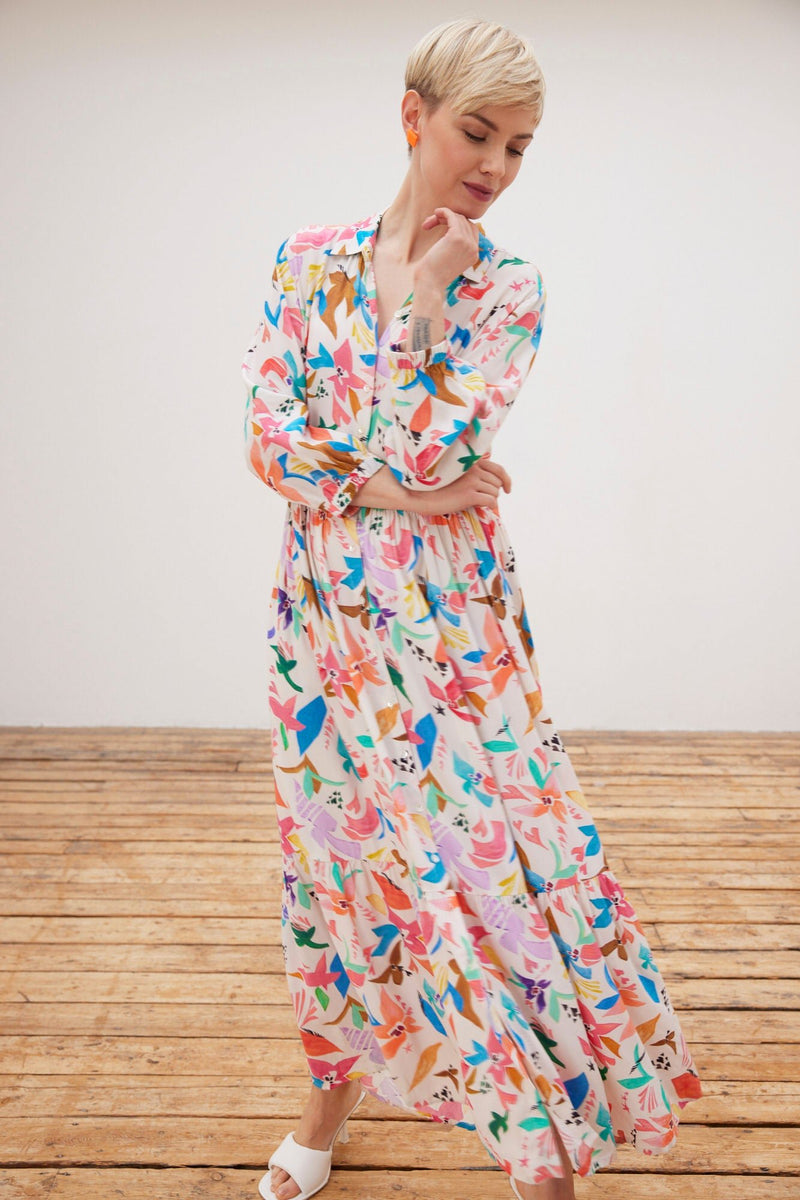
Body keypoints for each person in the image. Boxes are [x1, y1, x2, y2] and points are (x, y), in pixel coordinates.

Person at [241, 17, 703, 1200]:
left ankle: (537, 1133)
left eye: (519, 147)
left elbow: (429, 443)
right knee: (342, 867)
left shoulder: (504, 289)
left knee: (491, 862)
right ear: (414, 118)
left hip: (451, 631)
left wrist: (428, 300)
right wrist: (398, 490)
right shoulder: (305, 262)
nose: (495, 167)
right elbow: (269, 444)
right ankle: (325, 1112)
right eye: (477, 134)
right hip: (323, 630)